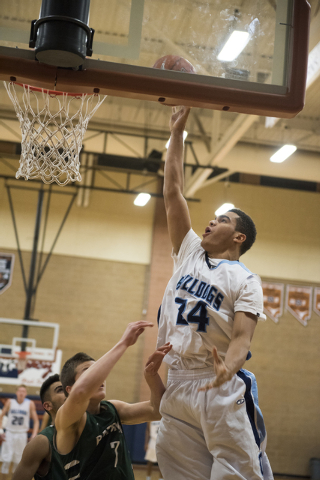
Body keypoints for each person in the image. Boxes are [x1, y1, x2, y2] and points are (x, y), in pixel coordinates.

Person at [155, 106, 273, 480]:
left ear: (239, 237)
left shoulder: (245, 279)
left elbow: (241, 339)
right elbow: (173, 191)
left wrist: (230, 369)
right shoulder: (189, 252)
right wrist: (177, 134)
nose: (211, 221)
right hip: (177, 381)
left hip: (217, 379)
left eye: (223, 220)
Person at [52, 320, 171, 480]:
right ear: (70, 389)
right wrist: (123, 343)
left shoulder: (113, 409)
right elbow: (81, 392)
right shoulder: (67, 418)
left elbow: (156, 411)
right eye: (89, 372)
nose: (101, 377)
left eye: (98, 371)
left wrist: (151, 375)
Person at [11, 374, 66, 480]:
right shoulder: (42, 442)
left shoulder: (89, 428)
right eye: (60, 390)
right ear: (47, 405)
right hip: (12, 433)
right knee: (7, 461)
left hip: (21, 433)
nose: (69, 392)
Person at [0, 384, 39, 479]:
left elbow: (36, 421)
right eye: (20, 391)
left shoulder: (30, 403)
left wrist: (34, 435)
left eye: (23, 391)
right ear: (16, 392)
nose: (21, 393)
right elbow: (1, 417)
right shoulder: (10, 402)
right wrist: (1, 431)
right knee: (6, 460)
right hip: (9, 433)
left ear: (26, 393)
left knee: (18, 460)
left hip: (22, 434)